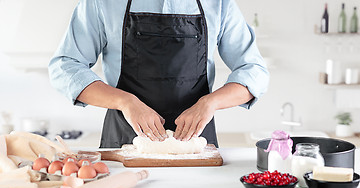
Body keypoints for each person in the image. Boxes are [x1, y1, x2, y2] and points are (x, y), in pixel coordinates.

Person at [48, 0, 269, 148]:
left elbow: (254, 71)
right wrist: (125, 101)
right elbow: (65, 66)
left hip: (196, 145)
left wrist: (210, 103)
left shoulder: (219, 4)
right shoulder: (102, 3)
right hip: (126, 142)